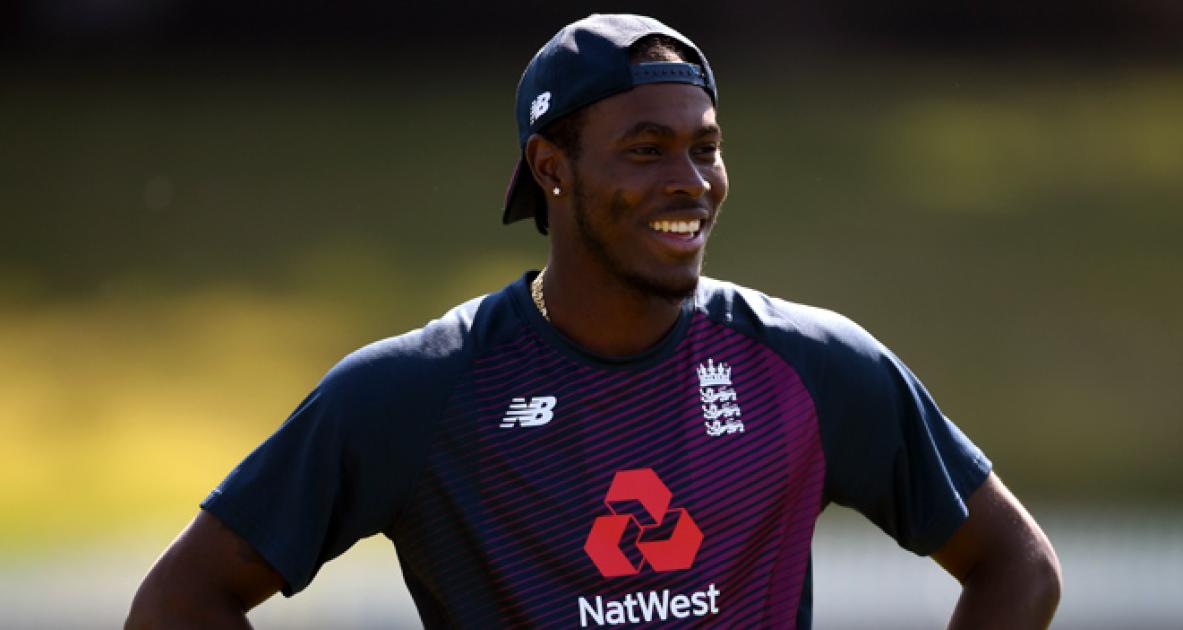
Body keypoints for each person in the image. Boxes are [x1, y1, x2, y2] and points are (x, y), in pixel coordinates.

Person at [126, 13, 1061, 629]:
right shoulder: (422, 390)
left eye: (705, 148)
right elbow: (182, 601)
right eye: (646, 150)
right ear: (551, 167)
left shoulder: (808, 367)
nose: (690, 183)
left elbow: (1015, 565)